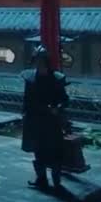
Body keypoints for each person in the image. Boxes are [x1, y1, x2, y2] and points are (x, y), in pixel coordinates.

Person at [21, 45, 70, 192]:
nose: (39, 64)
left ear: (46, 62)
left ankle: (56, 182)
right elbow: (26, 100)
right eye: (37, 60)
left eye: (42, 61)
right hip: (35, 120)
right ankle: (41, 179)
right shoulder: (30, 77)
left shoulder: (56, 78)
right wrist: (25, 115)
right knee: (38, 151)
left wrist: (57, 108)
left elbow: (64, 99)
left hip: (51, 122)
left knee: (55, 152)